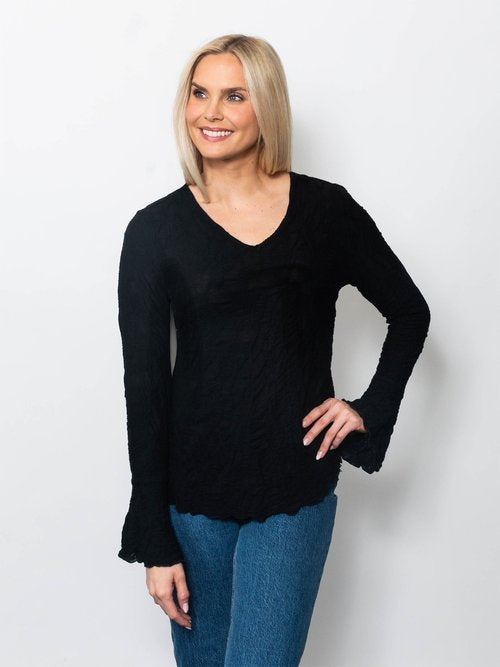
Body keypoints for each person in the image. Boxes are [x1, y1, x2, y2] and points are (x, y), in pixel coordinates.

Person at [116, 33, 431, 666]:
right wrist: (154, 538)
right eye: (200, 93)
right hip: (191, 502)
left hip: (294, 487)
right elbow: (145, 390)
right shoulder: (154, 231)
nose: (212, 112)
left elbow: (409, 313)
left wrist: (368, 407)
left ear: (267, 106)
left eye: (235, 96)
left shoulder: (326, 212)